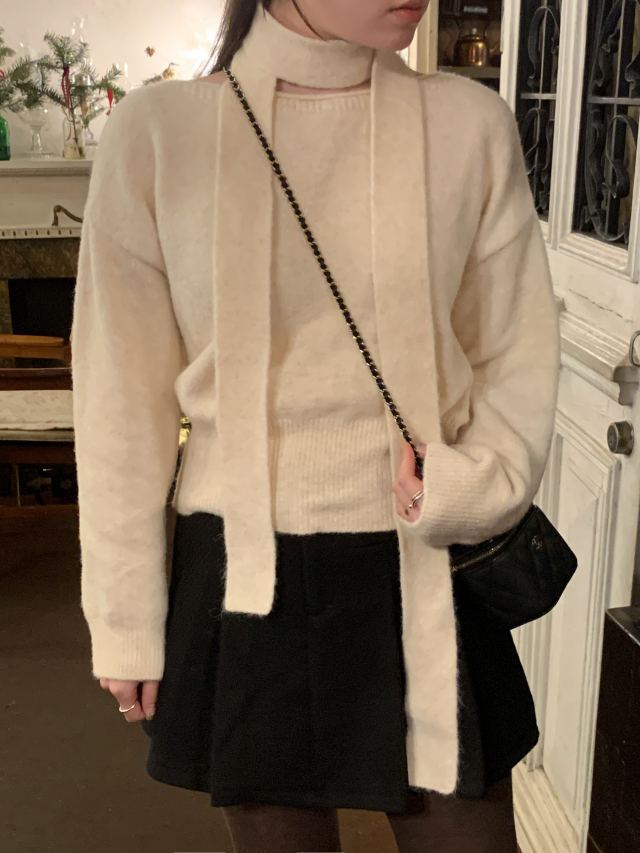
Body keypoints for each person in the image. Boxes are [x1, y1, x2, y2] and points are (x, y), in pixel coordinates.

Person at [71, 1, 561, 851]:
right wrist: (124, 616)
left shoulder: (469, 125)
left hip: (428, 565)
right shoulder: (156, 134)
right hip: (241, 577)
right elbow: (120, 399)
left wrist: (476, 485)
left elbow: (514, 350)